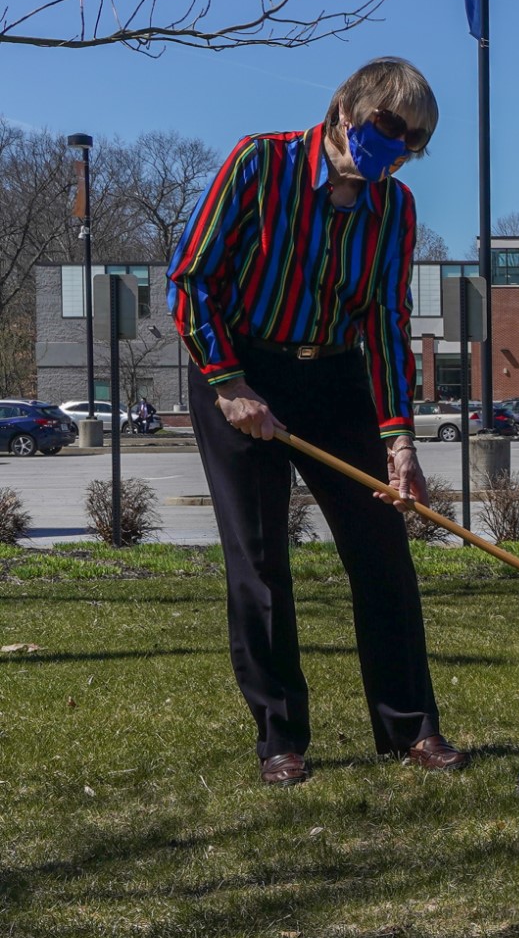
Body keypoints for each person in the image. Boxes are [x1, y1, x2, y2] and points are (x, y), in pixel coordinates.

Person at [166, 57, 468, 787]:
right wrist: (229, 383)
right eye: (390, 128)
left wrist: (399, 442)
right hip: (242, 371)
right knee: (260, 561)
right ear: (346, 109)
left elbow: (388, 325)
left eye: (414, 143)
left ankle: (409, 731)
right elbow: (191, 279)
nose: (397, 149)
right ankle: (280, 740)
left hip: (334, 376)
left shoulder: (393, 209)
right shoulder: (258, 164)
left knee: (381, 552)